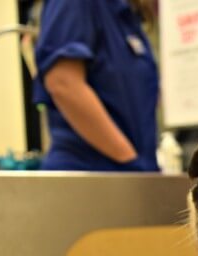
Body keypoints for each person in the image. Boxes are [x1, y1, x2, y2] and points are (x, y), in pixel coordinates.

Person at [33, 0, 160, 171]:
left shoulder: (125, 15)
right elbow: (63, 82)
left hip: (125, 173)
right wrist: (129, 161)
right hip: (90, 172)